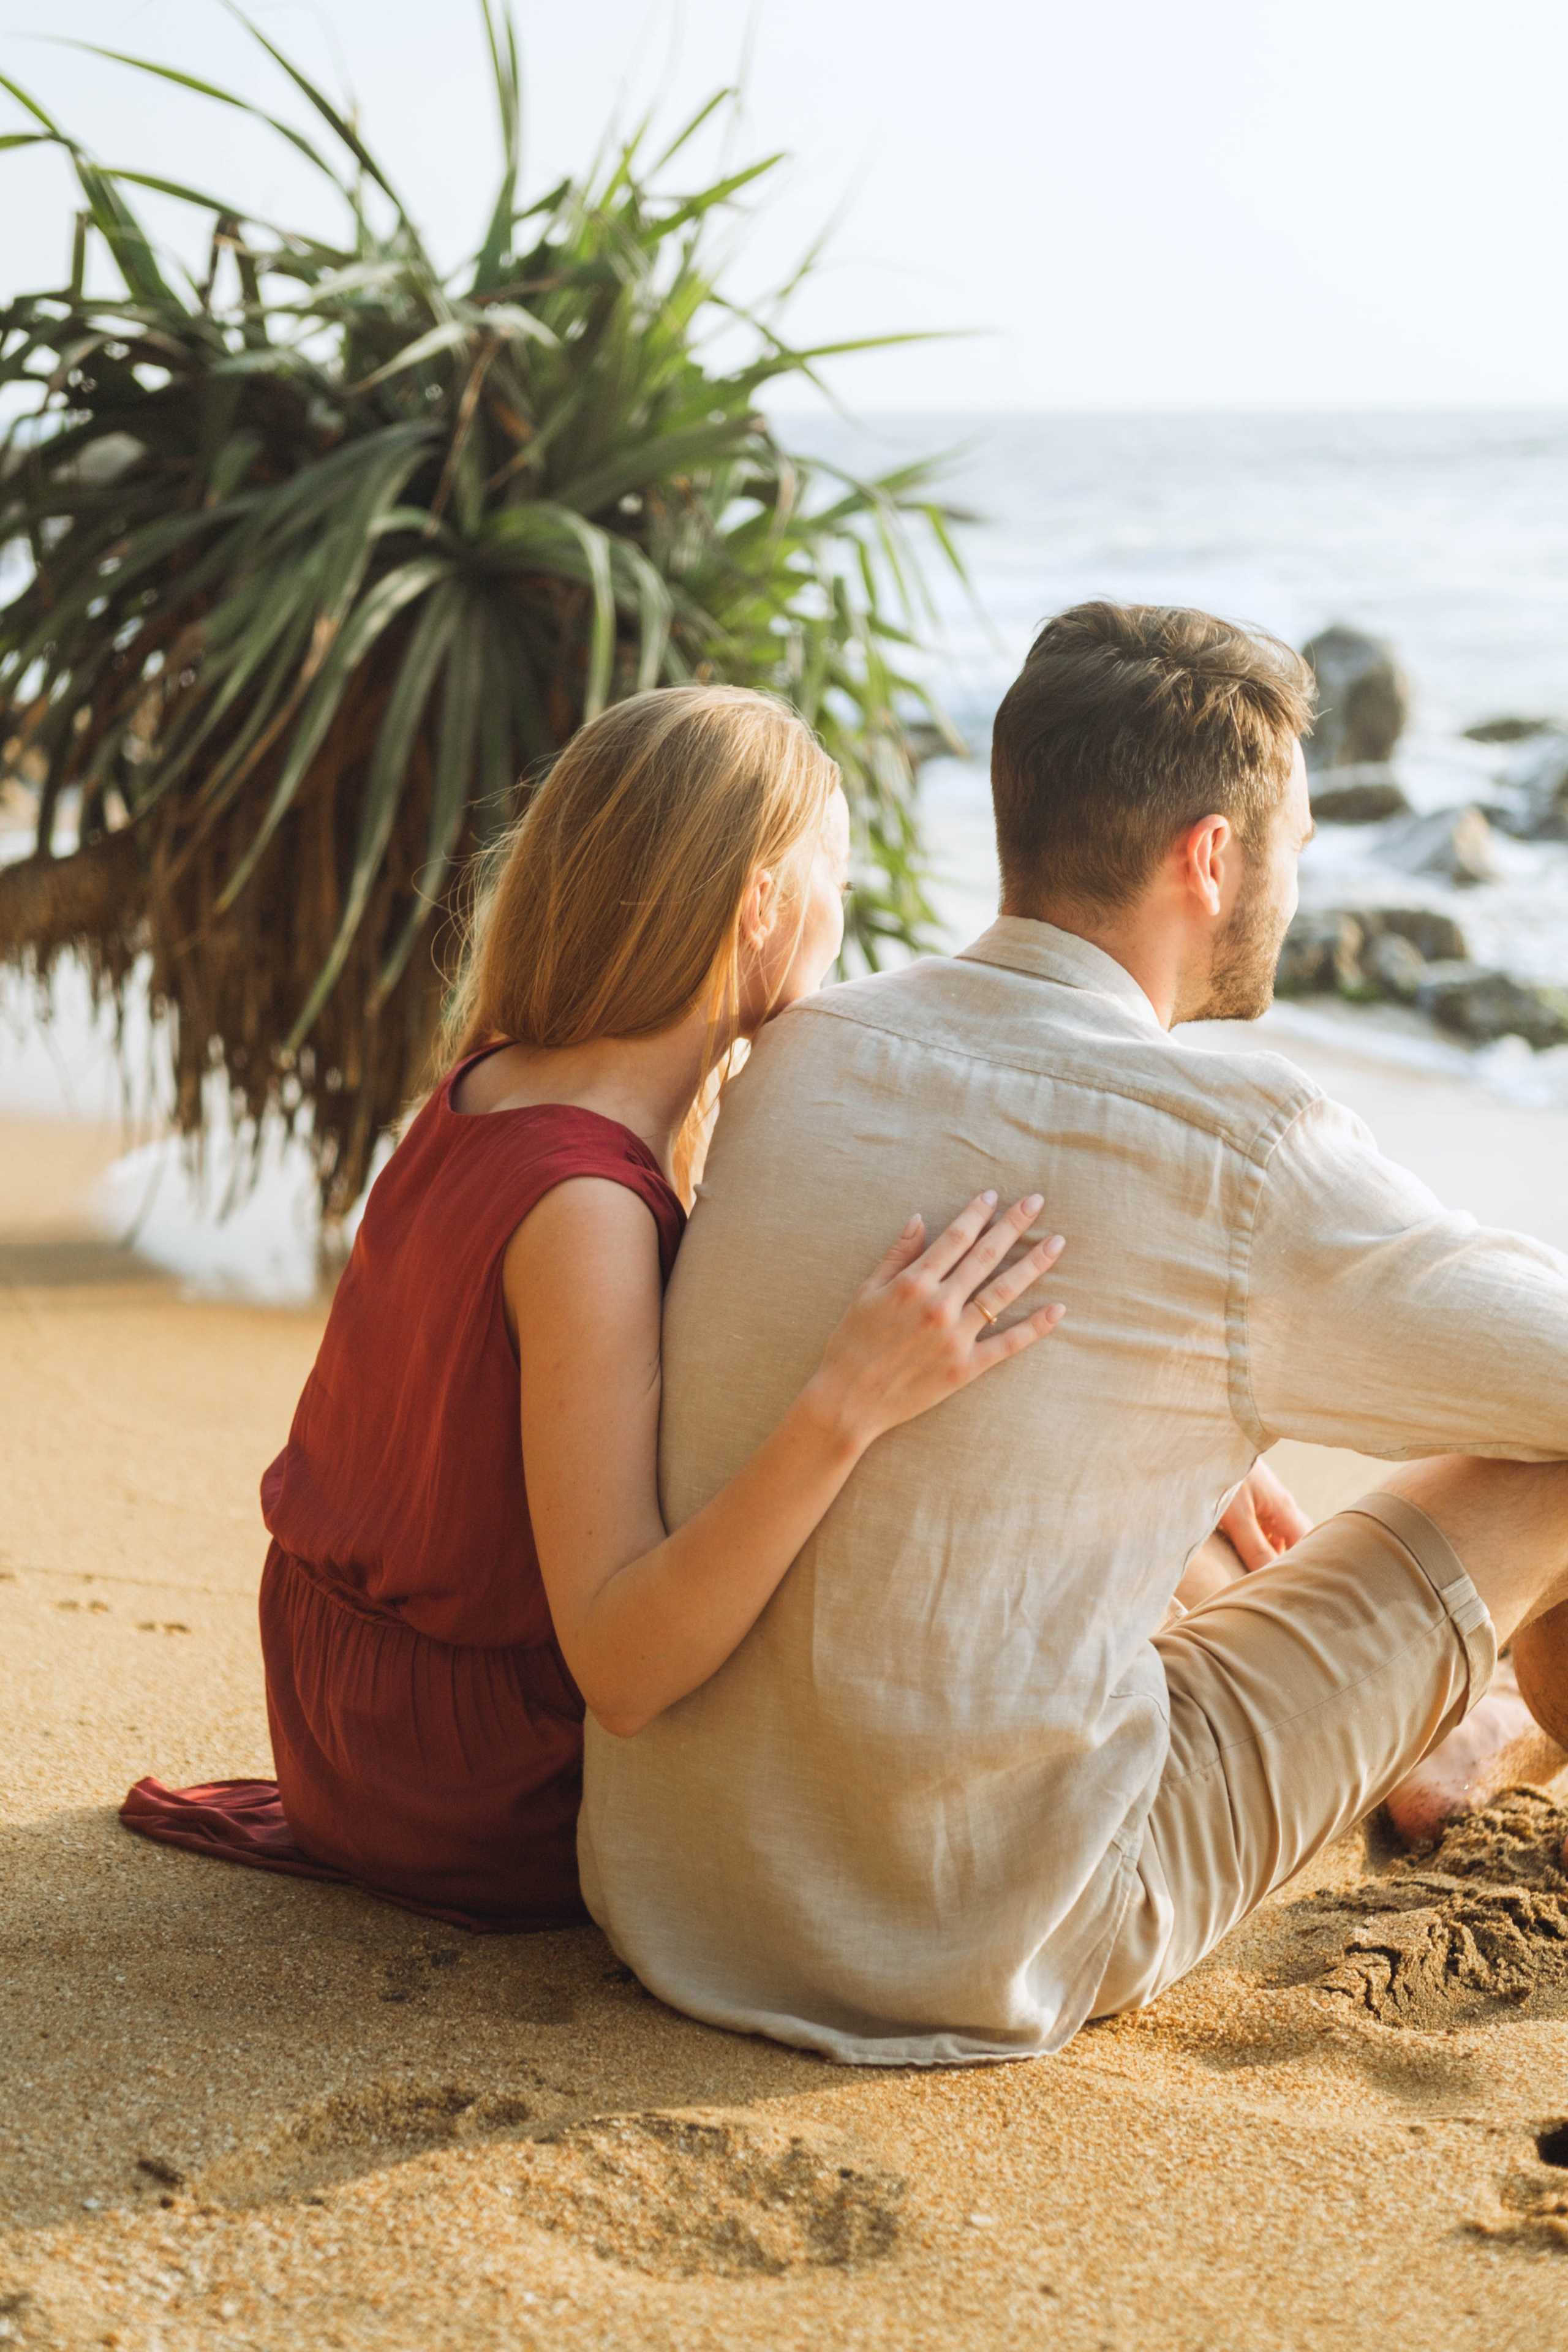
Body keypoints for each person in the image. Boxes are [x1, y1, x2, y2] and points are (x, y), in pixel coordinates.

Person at [580, 603, 1568, 2064]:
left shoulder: (794, 1052)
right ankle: (1480, 1731)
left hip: (672, 1896)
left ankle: (1476, 1736)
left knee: (1203, 1513)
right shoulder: (1248, 1152)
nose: (1292, 881)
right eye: (1289, 843)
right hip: (995, 1929)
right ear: (1211, 856)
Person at [122, 683, 1073, 1927]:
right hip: (467, 1781)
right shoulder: (582, 1209)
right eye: (833, 881)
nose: (844, 921)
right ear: (762, 907)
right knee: (913, 1461)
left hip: (346, 1710)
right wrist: (846, 1405)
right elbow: (622, 1672)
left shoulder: (489, 1078)